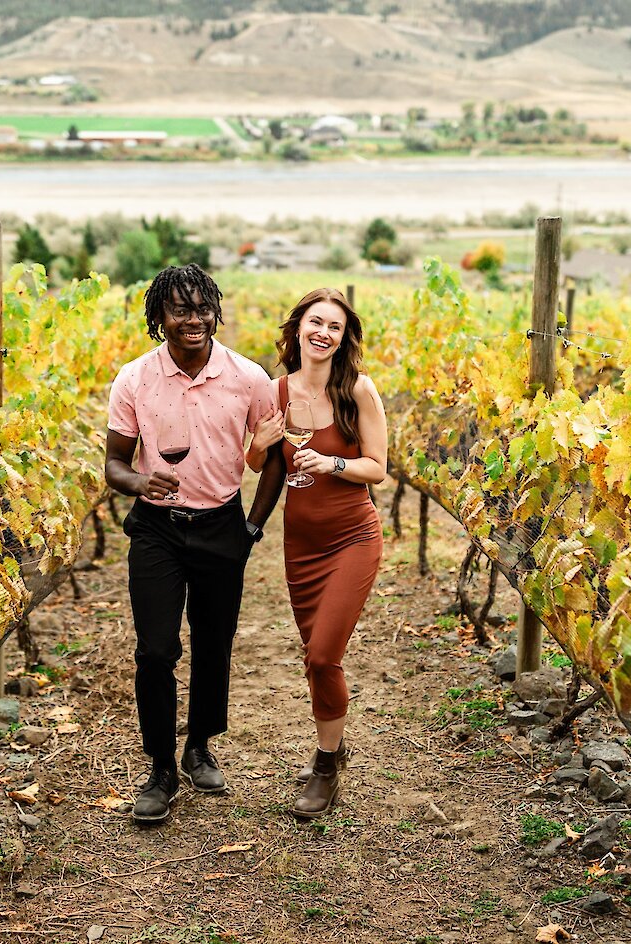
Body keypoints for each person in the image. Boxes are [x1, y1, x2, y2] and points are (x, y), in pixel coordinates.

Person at [105, 264, 284, 824]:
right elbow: (114, 463)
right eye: (180, 310)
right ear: (159, 316)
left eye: (203, 308)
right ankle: (160, 766)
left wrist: (252, 527)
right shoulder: (134, 379)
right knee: (155, 650)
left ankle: (199, 745)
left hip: (220, 525)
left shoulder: (248, 377)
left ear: (215, 311)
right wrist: (139, 480)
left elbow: (275, 455)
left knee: (213, 643)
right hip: (156, 528)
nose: (194, 320)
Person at [246, 287, 387, 819]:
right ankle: (335, 747)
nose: (323, 333)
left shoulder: (358, 391)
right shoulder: (274, 391)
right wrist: (259, 444)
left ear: (343, 338)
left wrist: (331, 465)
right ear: (297, 328)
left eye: (334, 326)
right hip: (299, 546)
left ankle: (326, 766)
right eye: (315, 322)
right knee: (316, 661)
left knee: (323, 655)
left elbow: (378, 466)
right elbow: (262, 467)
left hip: (352, 537)